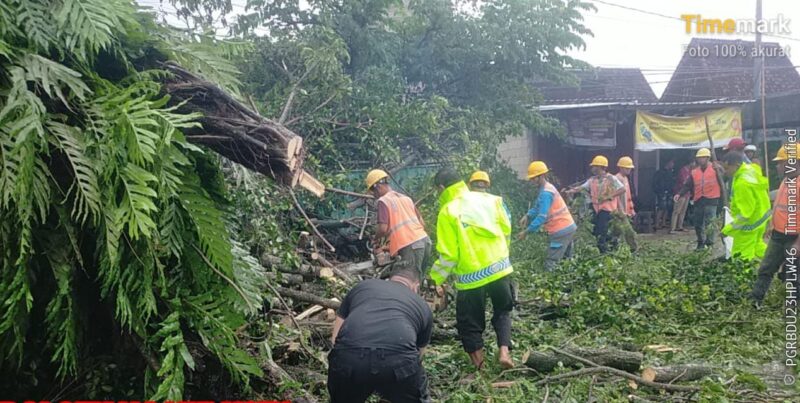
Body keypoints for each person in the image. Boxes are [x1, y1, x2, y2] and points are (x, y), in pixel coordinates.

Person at [429, 167, 514, 370]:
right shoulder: (493, 200)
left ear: (441, 187)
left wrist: (435, 279)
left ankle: (481, 370)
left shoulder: (448, 211)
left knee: (469, 323)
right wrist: (502, 256)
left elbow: (449, 255)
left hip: (471, 276)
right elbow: (507, 229)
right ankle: (504, 352)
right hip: (500, 267)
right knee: (503, 310)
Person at [328, 267, 433, 403]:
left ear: (389, 279)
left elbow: (335, 337)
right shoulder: (422, 305)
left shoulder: (363, 287)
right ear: (416, 287)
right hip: (398, 360)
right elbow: (419, 354)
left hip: (350, 355)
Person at [751, 144, 799, 308]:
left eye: (781, 162)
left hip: (794, 237)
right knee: (766, 268)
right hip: (778, 235)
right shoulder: (786, 181)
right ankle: (755, 299)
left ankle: (793, 307)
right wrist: (772, 224)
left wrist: (798, 244)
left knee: (793, 275)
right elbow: (779, 206)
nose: (777, 166)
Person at [366, 169, 431, 280]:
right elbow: (421, 223)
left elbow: (382, 229)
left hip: (411, 247)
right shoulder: (406, 198)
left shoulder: (383, 201)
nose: (374, 195)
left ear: (377, 186)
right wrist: (388, 247)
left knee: (407, 281)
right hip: (425, 242)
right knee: (417, 280)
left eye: (373, 192)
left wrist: (375, 240)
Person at [516, 161, 577, 270]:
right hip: (568, 227)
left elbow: (541, 216)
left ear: (542, 176)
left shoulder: (546, 193)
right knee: (567, 261)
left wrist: (526, 232)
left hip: (560, 229)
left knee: (551, 263)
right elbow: (538, 207)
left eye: (534, 178)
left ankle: (551, 280)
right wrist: (528, 215)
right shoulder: (546, 188)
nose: (531, 181)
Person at [565, 156, 625, 253]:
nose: (592, 169)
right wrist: (570, 191)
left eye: (594, 166)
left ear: (600, 167)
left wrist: (609, 196)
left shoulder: (611, 179)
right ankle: (610, 247)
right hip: (596, 209)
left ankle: (604, 251)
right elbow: (582, 187)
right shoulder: (592, 180)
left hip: (607, 210)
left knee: (602, 232)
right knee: (596, 231)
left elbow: (622, 189)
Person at [720, 152, 770, 260]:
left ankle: (745, 273)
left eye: (727, 168)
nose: (725, 171)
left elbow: (745, 214)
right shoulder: (749, 171)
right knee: (757, 246)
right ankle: (780, 259)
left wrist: (727, 230)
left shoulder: (742, 183)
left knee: (741, 255)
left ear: (736, 165)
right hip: (761, 218)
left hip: (749, 225)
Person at [675, 148, 724, 250]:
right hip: (699, 200)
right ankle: (701, 242)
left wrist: (721, 170)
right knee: (698, 223)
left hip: (712, 199)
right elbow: (688, 185)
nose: (700, 160)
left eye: (702, 158)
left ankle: (710, 243)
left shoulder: (716, 169)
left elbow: (724, 180)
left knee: (710, 222)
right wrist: (679, 194)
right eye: (699, 158)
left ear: (708, 158)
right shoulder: (694, 172)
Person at [612, 156, 638, 251]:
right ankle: (633, 249)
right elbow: (616, 197)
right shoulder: (617, 178)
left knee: (618, 231)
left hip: (626, 210)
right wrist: (620, 210)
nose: (629, 170)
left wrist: (631, 209)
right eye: (627, 168)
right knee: (628, 231)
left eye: (630, 168)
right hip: (620, 210)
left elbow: (628, 196)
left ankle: (615, 248)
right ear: (621, 167)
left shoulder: (625, 178)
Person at [670, 161, 693, 234]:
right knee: (677, 211)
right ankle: (673, 228)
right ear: (691, 163)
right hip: (680, 193)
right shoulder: (682, 171)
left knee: (683, 211)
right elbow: (684, 182)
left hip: (687, 194)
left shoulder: (690, 171)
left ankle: (680, 226)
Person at [652, 160, 676, 230]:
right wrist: (659, 191)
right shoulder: (660, 172)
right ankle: (656, 224)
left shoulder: (670, 172)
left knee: (667, 207)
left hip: (669, 192)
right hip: (661, 192)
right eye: (672, 163)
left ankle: (663, 223)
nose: (673, 164)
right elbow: (655, 183)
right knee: (661, 207)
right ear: (668, 163)